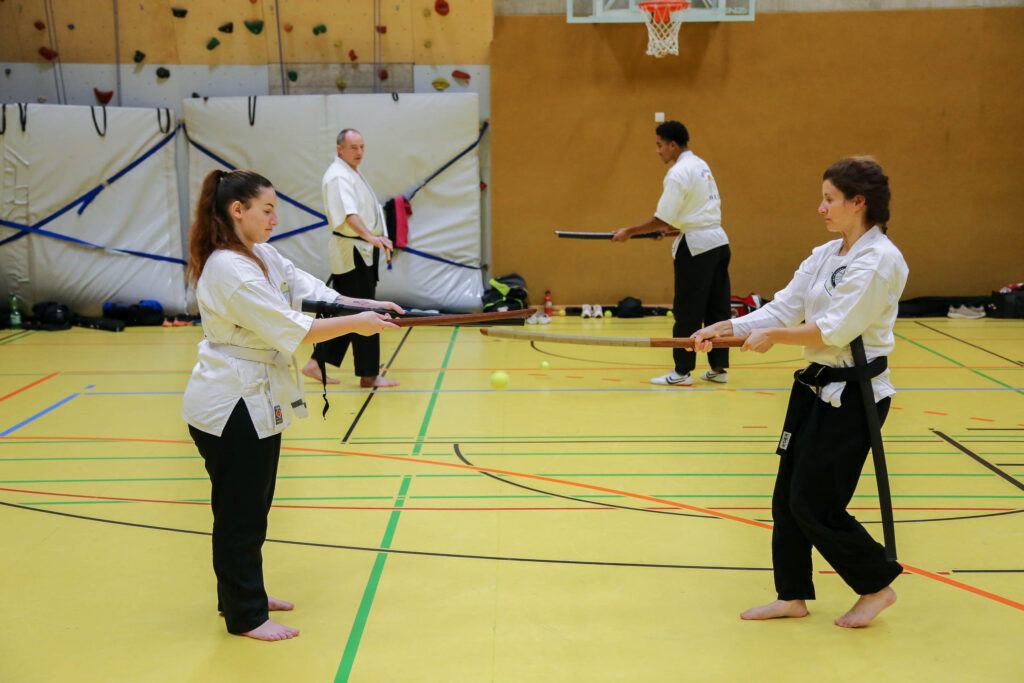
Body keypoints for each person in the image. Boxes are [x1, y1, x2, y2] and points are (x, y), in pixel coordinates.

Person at [182, 169, 403, 641]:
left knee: (252, 508)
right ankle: (245, 615)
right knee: (240, 512)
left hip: (253, 399)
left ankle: (243, 594)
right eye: (267, 210)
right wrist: (357, 323)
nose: (274, 219)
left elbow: (306, 287)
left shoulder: (259, 253)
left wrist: (361, 304)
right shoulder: (229, 268)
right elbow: (291, 326)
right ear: (237, 210)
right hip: (229, 406)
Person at [692, 157, 908, 628]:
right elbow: (783, 308)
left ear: (858, 202)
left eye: (830, 199)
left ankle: (876, 586)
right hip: (815, 390)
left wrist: (773, 338)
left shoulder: (879, 261)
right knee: (786, 497)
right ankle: (791, 595)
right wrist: (725, 327)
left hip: (855, 398)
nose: (821, 207)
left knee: (815, 503)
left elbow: (834, 329)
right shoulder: (827, 254)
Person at [613, 121, 732, 387]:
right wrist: (671, 229)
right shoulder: (701, 165)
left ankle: (681, 372)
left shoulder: (678, 172)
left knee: (688, 311)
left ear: (673, 145)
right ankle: (719, 368)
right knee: (717, 309)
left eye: (660, 145)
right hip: (719, 243)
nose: (658, 151)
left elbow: (661, 219)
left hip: (697, 248)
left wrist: (628, 232)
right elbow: (695, 214)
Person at [301, 128, 398, 388]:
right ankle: (369, 375)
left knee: (348, 311)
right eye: (354, 147)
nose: (359, 152)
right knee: (366, 311)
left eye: (362, 147)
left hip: (360, 251)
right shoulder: (338, 176)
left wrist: (376, 237)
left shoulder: (350, 172)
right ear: (339, 149)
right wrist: (371, 237)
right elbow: (348, 215)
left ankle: (316, 362)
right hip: (352, 253)